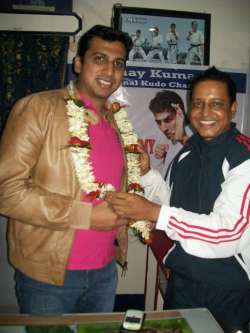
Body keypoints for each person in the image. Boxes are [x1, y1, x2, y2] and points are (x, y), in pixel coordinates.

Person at [0, 25, 134, 314]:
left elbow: (110, 188)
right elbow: (6, 192)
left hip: (105, 271)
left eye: (118, 63)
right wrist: (85, 215)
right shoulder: (37, 109)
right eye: (99, 59)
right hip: (48, 277)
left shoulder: (117, 123)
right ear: (78, 63)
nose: (109, 71)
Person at [106, 66, 250, 333]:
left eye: (216, 104)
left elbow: (228, 231)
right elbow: (172, 206)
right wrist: (148, 174)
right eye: (198, 104)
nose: (205, 112)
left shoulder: (244, 156)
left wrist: (154, 213)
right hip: (182, 284)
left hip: (229, 290)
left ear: (233, 108)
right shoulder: (186, 155)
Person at [149, 90, 189, 175]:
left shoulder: (199, 136)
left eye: (168, 120)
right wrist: (167, 157)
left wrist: (183, 139)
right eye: (159, 123)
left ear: (180, 115)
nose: (163, 128)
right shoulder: (172, 141)